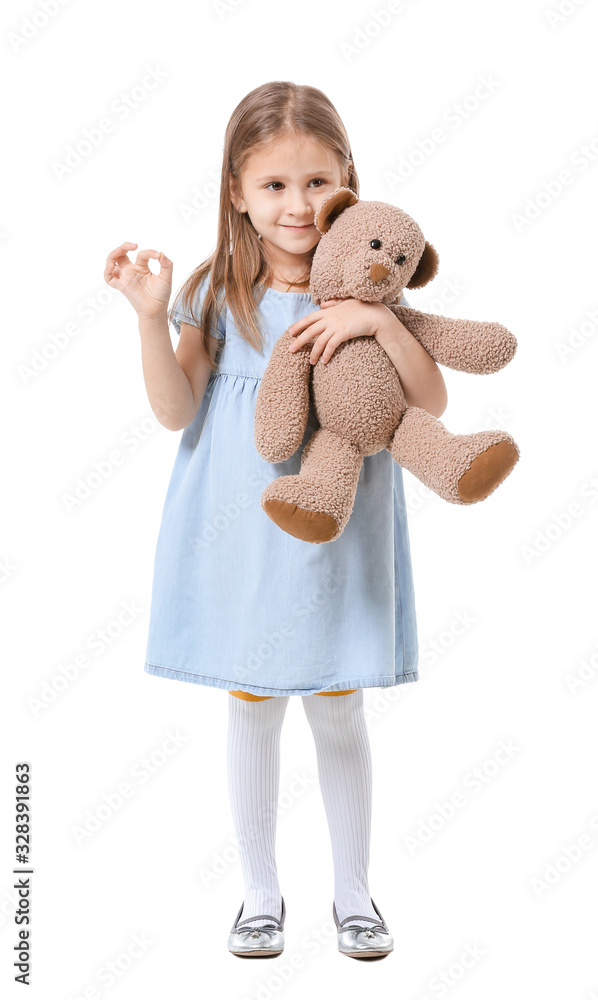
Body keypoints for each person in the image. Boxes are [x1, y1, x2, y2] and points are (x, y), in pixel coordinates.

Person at [103, 80, 447, 960]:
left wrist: (379, 320)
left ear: (349, 180)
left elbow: (430, 398)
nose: (300, 205)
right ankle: (260, 895)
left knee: (338, 704)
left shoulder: (374, 275)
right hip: (244, 531)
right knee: (252, 703)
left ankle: (355, 896)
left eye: (319, 182)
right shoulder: (222, 289)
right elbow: (178, 411)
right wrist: (150, 320)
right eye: (275, 186)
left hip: (337, 531)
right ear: (237, 193)